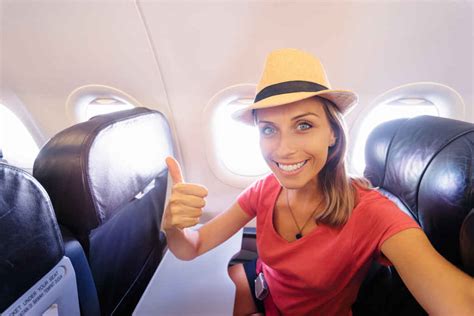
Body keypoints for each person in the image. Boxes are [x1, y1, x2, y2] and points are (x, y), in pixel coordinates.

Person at [162, 48, 474, 315]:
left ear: (333, 133)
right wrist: (172, 225)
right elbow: (194, 247)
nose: (283, 149)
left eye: (304, 125)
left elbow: (458, 302)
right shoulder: (264, 189)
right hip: (265, 296)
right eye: (269, 129)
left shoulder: (372, 213)